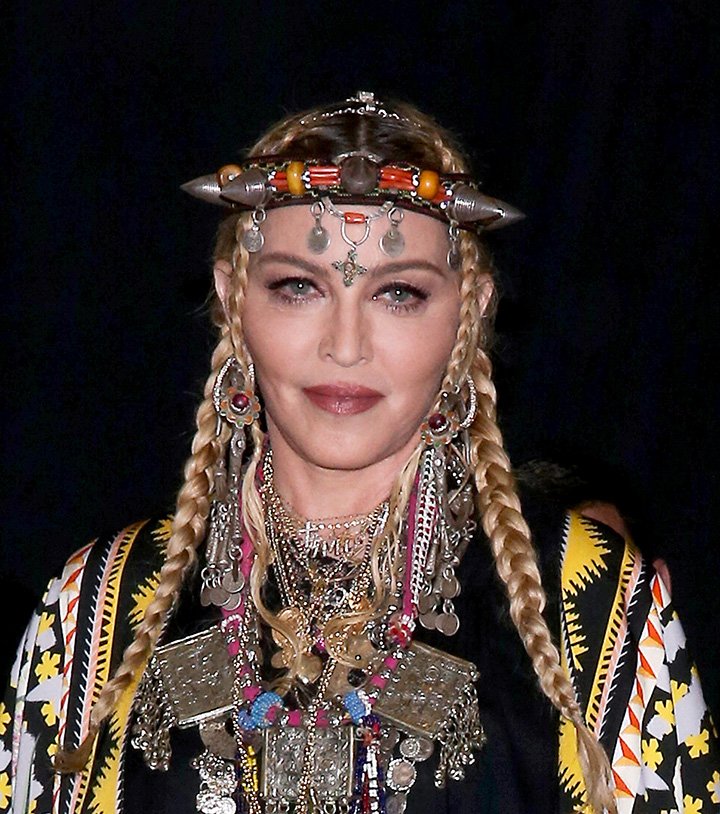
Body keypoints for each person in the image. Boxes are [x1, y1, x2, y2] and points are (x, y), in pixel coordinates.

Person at [1, 92, 717, 814]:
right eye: (298, 287)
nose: (345, 346)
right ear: (233, 298)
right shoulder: (101, 602)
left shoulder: (586, 601)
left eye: (398, 294)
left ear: (469, 313)